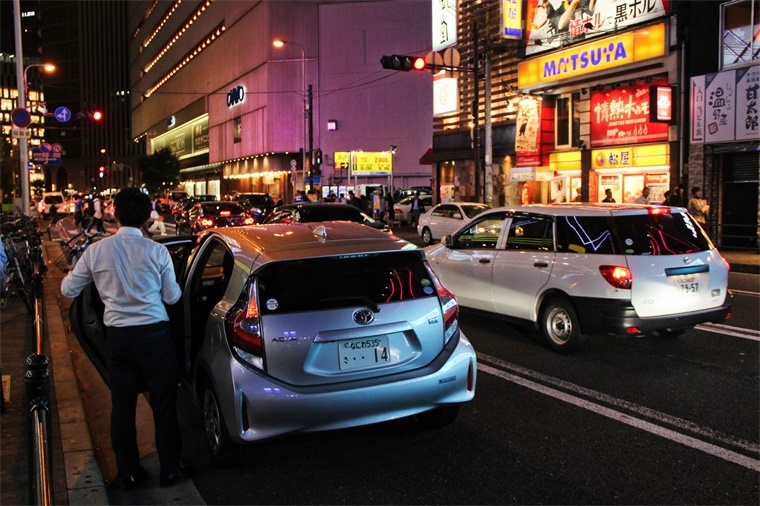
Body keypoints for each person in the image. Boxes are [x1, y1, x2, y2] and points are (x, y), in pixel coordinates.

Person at [60, 188, 187, 489]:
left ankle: (129, 472)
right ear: (147, 217)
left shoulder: (96, 251)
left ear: (114, 213)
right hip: (155, 335)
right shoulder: (157, 252)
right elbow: (173, 296)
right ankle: (170, 470)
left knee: (122, 406)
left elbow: (67, 290)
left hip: (117, 338)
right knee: (164, 404)